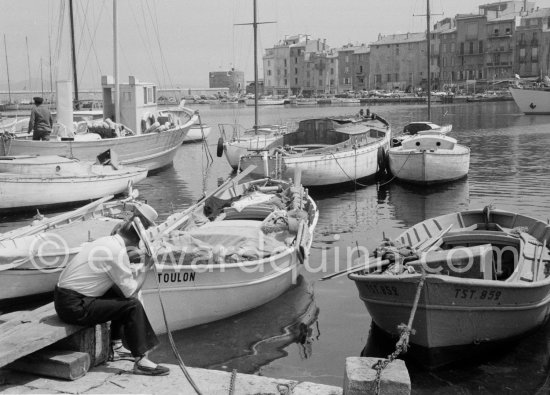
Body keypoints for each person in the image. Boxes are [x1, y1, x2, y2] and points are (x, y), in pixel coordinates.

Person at [54, 203, 170, 376]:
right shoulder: (117, 252)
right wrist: (146, 266)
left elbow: (114, 267)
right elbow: (130, 291)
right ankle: (141, 361)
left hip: (63, 299)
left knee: (117, 292)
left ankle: (116, 344)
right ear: (137, 240)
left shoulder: (106, 242)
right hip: (74, 307)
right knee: (132, 304)